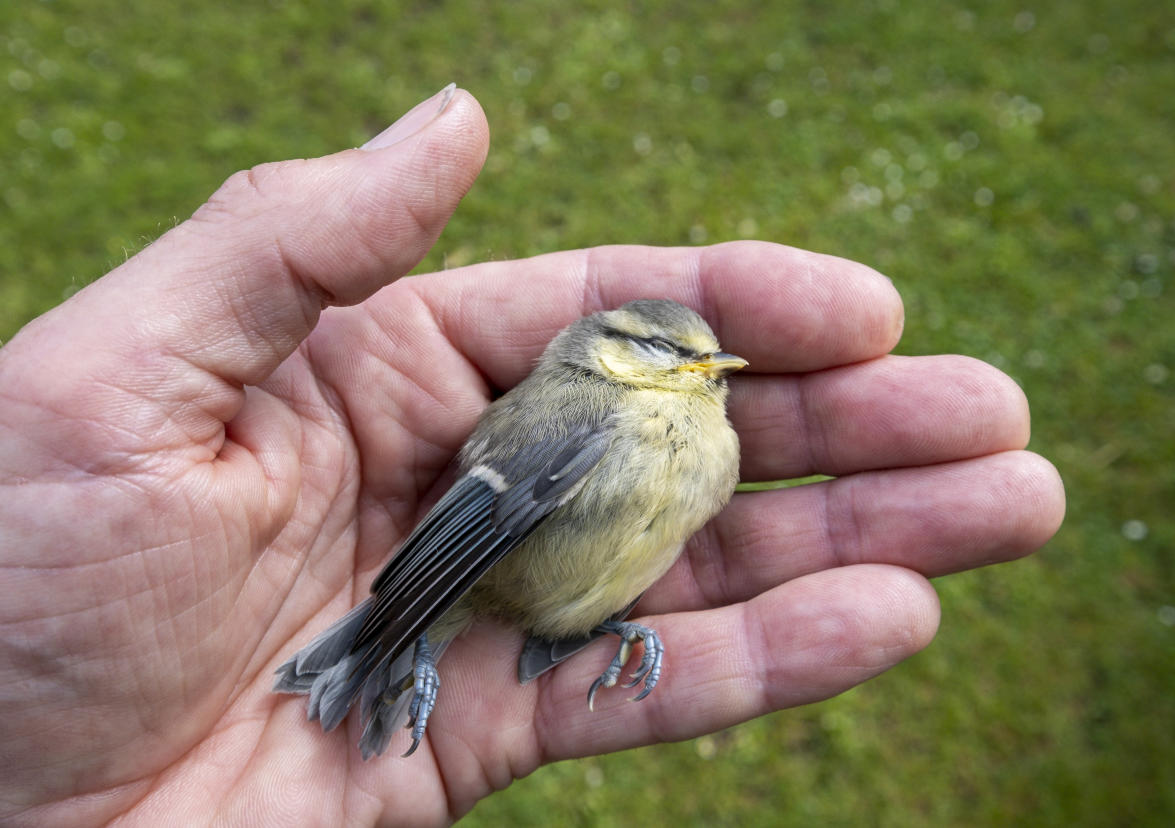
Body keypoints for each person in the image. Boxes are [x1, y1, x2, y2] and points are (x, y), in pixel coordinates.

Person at [0, 86, 1065, 825]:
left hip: (562, 600)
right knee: (417, 626)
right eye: (678, 357)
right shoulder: (583, 409)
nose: (712, 371)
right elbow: (471, 527)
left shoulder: (706, 438)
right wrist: (405, 624)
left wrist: (608, 626)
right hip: (471, 579)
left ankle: (567, 636)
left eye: (710, 359)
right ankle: (395, 653)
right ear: (615, 355)